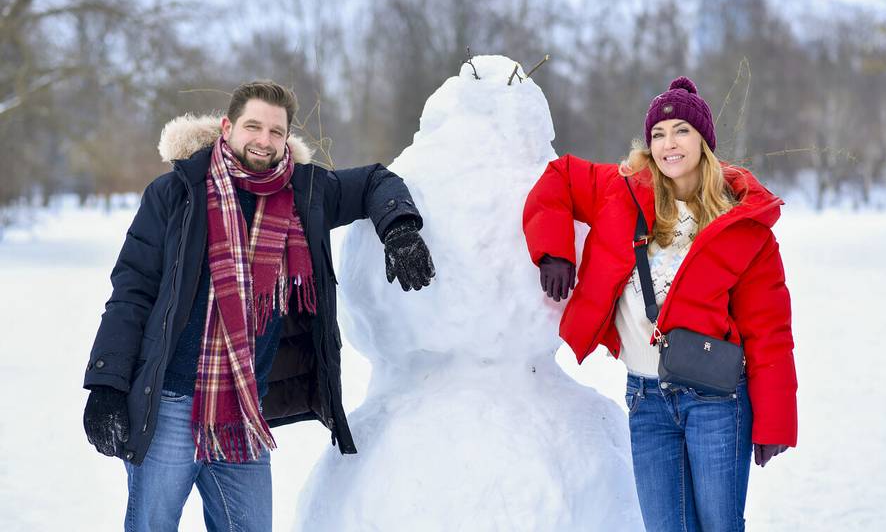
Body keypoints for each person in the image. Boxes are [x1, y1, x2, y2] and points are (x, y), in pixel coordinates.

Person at [82, 80, 435, 531]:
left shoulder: (307, 193)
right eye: (253, 126)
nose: (264, 140)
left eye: (276, 131)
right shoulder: (176, 193)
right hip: (168, 403)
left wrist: (400, 228)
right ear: (228, 127)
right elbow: (132, 292)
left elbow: (374, 180)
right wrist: (107, 385)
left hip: (242, 413)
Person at [522, 76, 797, 531]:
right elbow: (559, 179)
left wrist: (774, 420)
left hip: (717, 401)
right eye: (658, 133)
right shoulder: (621, 190)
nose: (669, 143)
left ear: (704, 141)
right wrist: (553, 250)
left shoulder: (741, 225)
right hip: (645, 398)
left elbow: (769, 329)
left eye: (681, 131)